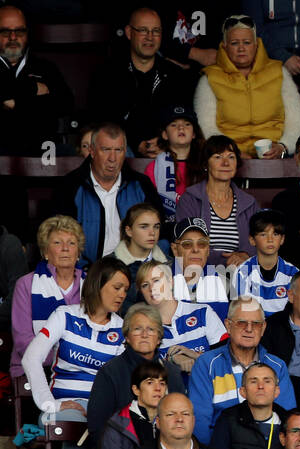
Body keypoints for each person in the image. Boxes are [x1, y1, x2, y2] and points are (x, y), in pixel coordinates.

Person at [21, 257, 128, 449]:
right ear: (97, 284)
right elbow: (30, 358)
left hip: (101, 409)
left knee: (103, 426)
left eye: (125, 290)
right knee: (77, 423)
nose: (122, 295)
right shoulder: (64, 316)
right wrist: (50, 404)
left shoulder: (123, 328)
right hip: (64, 406)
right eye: (117, 287)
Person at [194, 13, 300, 159]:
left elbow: (297, 120)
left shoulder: (279, 72)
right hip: (228, 158)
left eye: (246, 42)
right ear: (225, 46)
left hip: (276, 155)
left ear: (256, 44)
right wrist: (231, 152)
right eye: (234, 43)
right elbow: (206, 127)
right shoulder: (209, 78)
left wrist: (283, 146)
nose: (241, 48)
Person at [190, 296, 297, 443]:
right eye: (241, 323)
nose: (249, 329)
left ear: (263, 328)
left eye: (256, 323)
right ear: (228, 325)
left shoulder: (277, 366)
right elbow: (200, 421)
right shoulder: (207, 364)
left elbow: (287, 419)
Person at [54, 123, 164, 261]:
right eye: (106, 150)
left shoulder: (141, 184)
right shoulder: (69, 186)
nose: (112, 158)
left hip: (135, 270)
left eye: (118, 150)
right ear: (92, 151)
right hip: (86, 273)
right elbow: (58, 240)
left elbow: (161, 233)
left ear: (125, 152)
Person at [90, 7, 188, 155]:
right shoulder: (107, 73)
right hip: (122, 148)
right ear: (129, 33)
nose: (150, 37)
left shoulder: (176, 75)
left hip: (167, 146)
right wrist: (137, 143)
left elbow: (184, 120)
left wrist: (163, 143)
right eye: (143, 30)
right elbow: (102, 122)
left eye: (156, 31)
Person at [85, 302, 184, 442]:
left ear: (159, 338)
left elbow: (180, 420)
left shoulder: (172, 373)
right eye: (137, 329)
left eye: (151, 329)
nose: (145, 335)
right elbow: (97, 427)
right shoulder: (110, 372)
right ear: (127, 337)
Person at [9, 216, 83, 383]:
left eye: (71, 243)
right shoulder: (26, 284)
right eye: (57, 243)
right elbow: (23, 341)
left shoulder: (91, 285)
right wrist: (67, 358)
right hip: (34, 369)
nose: (65, 248)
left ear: (78, 252)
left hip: (81, 370)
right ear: (45, 252)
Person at [173, 135, 259, 267]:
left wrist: (245, 254)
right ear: (206, 164)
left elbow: (260, 238)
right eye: (218, 157)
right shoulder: (190, 199)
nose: (225, 163)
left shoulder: (249, 203)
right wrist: (224, 260)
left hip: (240, 273)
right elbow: (185, 244)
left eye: (231, 157)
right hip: (199, 271)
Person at [0, 4, 72, 156]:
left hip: (41, 148)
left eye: (19, 31)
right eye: (5, 31)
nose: (13, 37)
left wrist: (15, 103)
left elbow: (65, 103)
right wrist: (32, 88)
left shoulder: (46, 68)